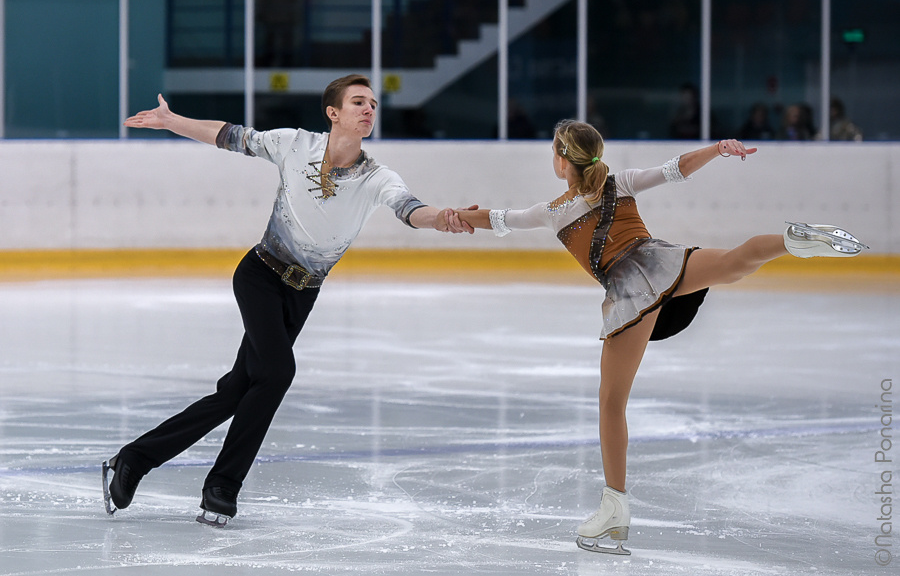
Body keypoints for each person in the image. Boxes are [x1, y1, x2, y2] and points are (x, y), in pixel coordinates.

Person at [453, 119, 866, 554]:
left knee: (611, 404)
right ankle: (793, 240)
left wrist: (456, 217)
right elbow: (677, 168)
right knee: (733, 262)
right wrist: (718, 148)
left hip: (630, 292)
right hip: (662, 260)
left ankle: (615, 508)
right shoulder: (621, 183)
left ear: (561, 161)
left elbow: (500, 219)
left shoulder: (553, 211)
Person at [102, 74, 473, 527]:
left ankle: (133, 460)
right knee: (277, 372)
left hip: (303, 293)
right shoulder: (294, 144)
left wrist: (444, 219)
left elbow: (411, 209)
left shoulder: (378, 177)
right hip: (259, 275)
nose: (368, 109)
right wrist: (173, 121)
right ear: (333, 113)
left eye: (373, 104)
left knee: (239, 389)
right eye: (358, 101)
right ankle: (222, 487)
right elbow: (228, 136)